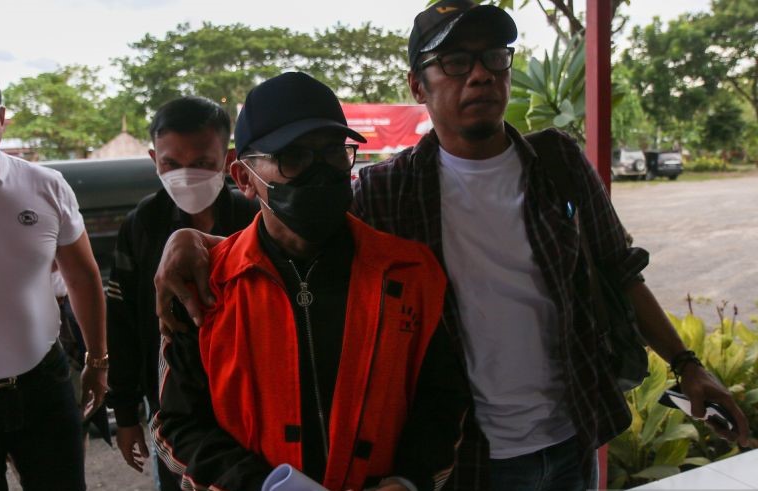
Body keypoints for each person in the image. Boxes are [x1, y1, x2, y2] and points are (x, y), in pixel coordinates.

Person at [153, 2, 751, 490]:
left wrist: (688, 365)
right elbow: (290, 231)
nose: (481, 74)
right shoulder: (388, 189)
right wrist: (191, 238)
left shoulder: (559, 164)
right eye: (456, 61)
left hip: (571, 438)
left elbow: (622, 271)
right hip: (471, 461)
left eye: (494, 56)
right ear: (418, 84)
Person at [150, 71, 470, 491]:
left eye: (333, 152)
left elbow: (442, 400)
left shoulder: (409, 273)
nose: (320, 171)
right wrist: (263, 486)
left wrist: (408, 480)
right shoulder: (204, 288)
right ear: (244, 178)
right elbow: (178, 424)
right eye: (294, 156)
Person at [0, 54, 107, 490]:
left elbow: (83, 277)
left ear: (1, 117)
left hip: (42, 383)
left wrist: (98, 361)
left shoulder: (46, 185)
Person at [106, 95, 258, 490]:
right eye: (171, 164)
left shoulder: (255, 218)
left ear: (228, 159)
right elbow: (122, 323)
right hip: (170, 403)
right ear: (154, 159)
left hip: (250, 394)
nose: (186, 176)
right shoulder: (142, 226)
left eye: (202, 163)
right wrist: (125, 413)